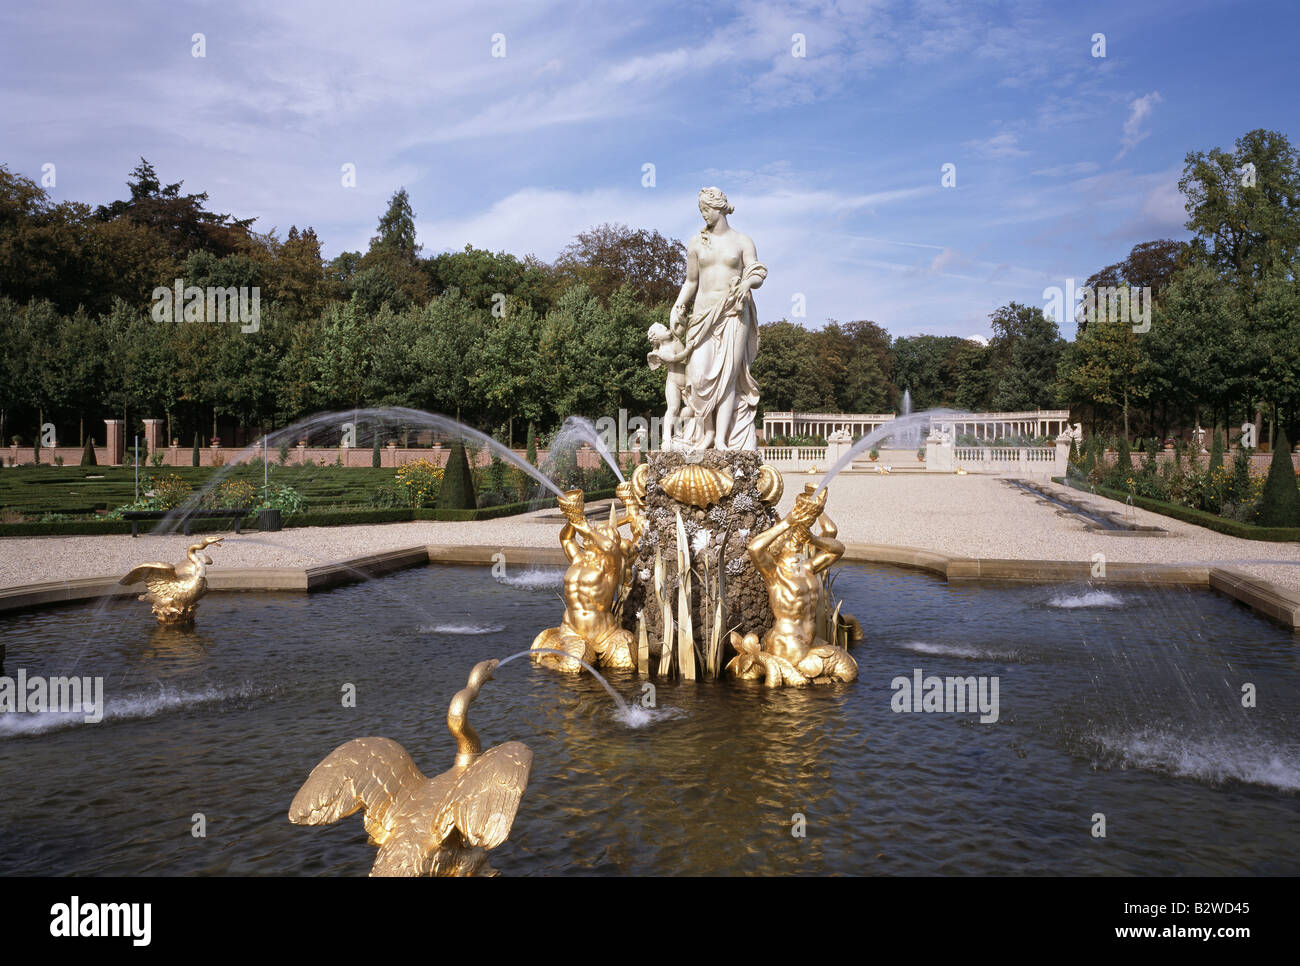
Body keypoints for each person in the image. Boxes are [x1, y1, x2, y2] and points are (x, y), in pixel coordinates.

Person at [668, 187, 767, 451]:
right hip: (702, 315)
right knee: (698, 376)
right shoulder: (696, 243)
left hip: (735, 314)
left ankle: (721, 440)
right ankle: (706, 433)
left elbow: (757, 272)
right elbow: (691, 281)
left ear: (720, 207)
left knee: (728, 378)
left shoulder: (743, 241)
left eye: (707, 210)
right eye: (701, 211)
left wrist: (747, 284)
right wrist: (678, 305)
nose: (704, 216)